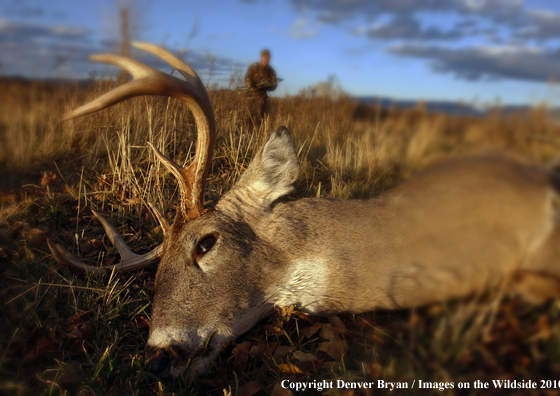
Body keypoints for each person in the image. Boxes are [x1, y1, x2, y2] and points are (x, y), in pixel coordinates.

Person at [244, 49, 277, 125]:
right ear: (261, 58)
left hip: (261, 97)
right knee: (247, 116)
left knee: (258, 117)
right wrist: (252, 85)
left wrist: (267, 86)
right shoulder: (253, 67)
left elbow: (274, 85)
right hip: (249, 95)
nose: (266, 60)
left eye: (268, 58)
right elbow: (247, 79)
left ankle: (257, 133)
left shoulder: (271, 71)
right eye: (264, 57)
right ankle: (247, 133)